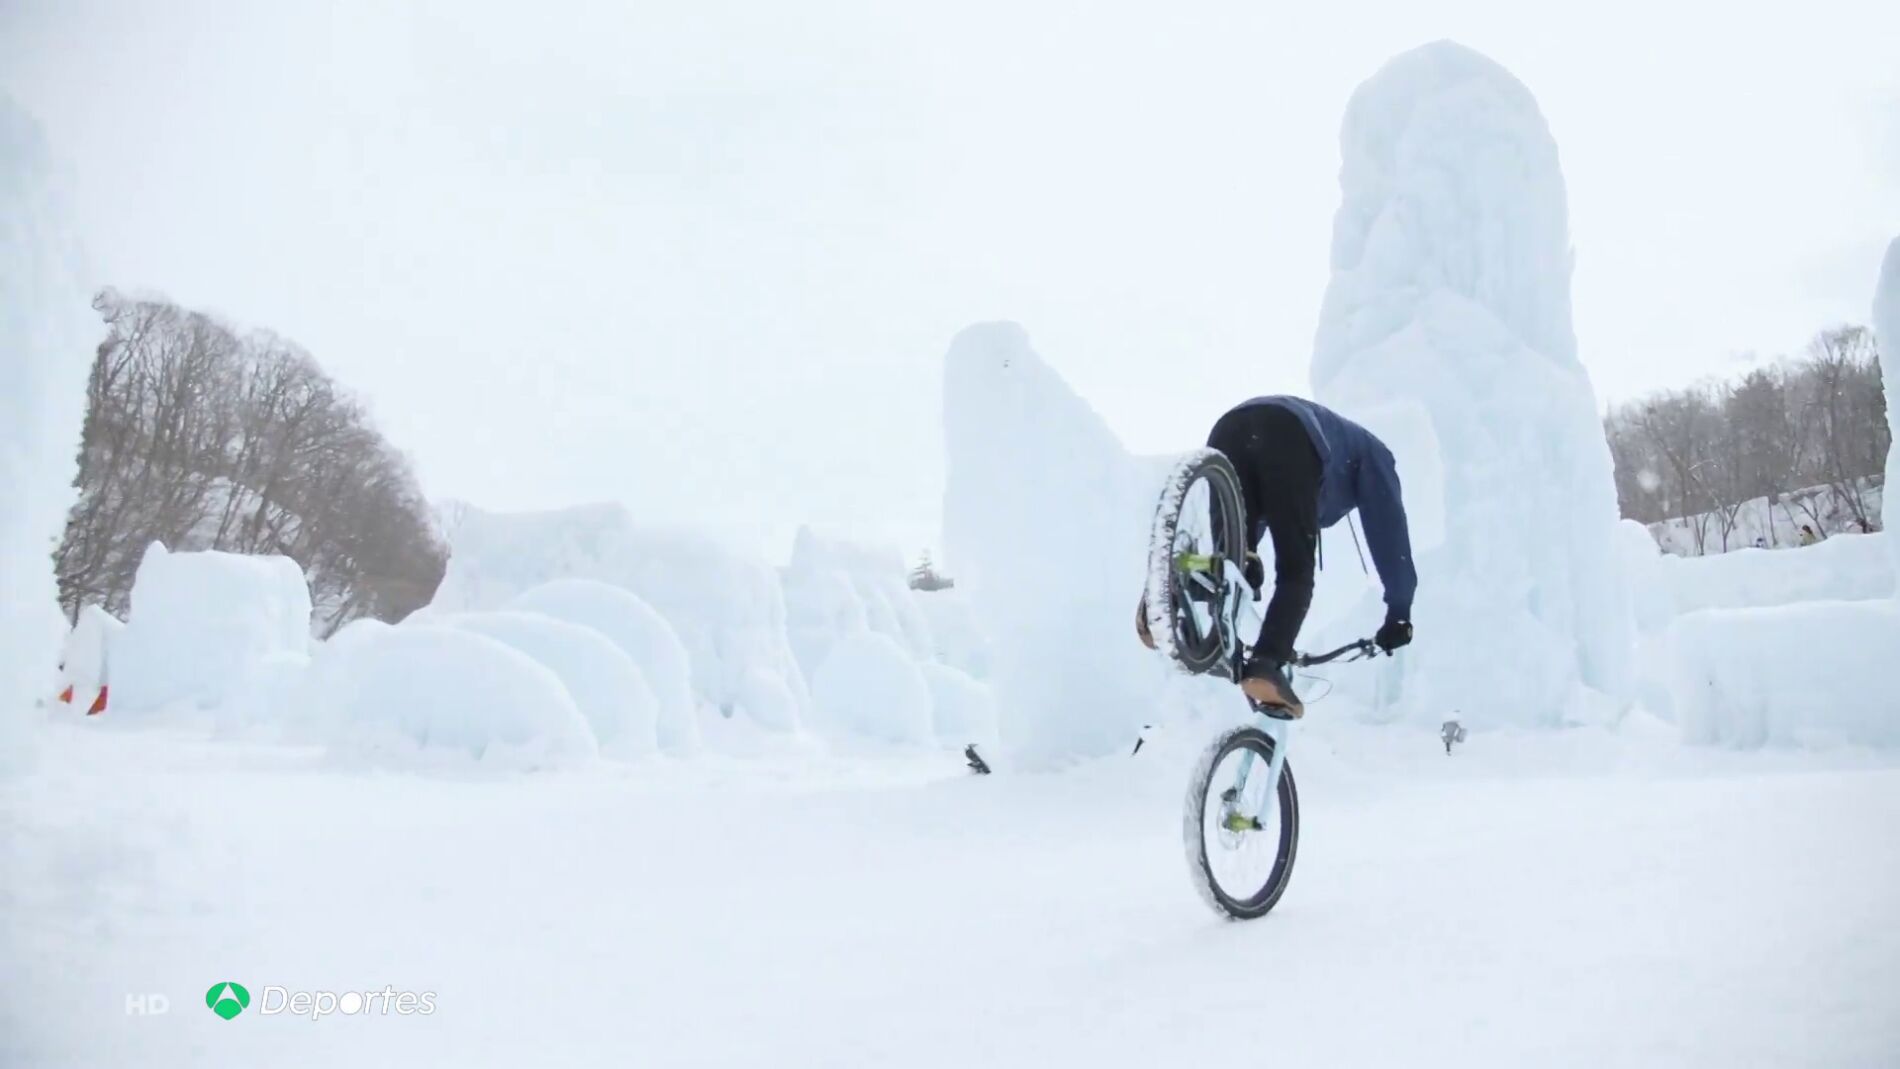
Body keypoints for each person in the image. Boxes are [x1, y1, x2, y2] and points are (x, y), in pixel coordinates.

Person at [1138, 395, 1416, 717]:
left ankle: (1171, 587)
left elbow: (1262, 509)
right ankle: (1266, 663)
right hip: (1290, 433)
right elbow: (1388, 529)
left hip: (1229, 429)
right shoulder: (1376, 454)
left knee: (1232, 568)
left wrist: (1248, 561)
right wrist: (1400, 611)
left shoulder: (1343, 443)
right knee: (1296, 573)